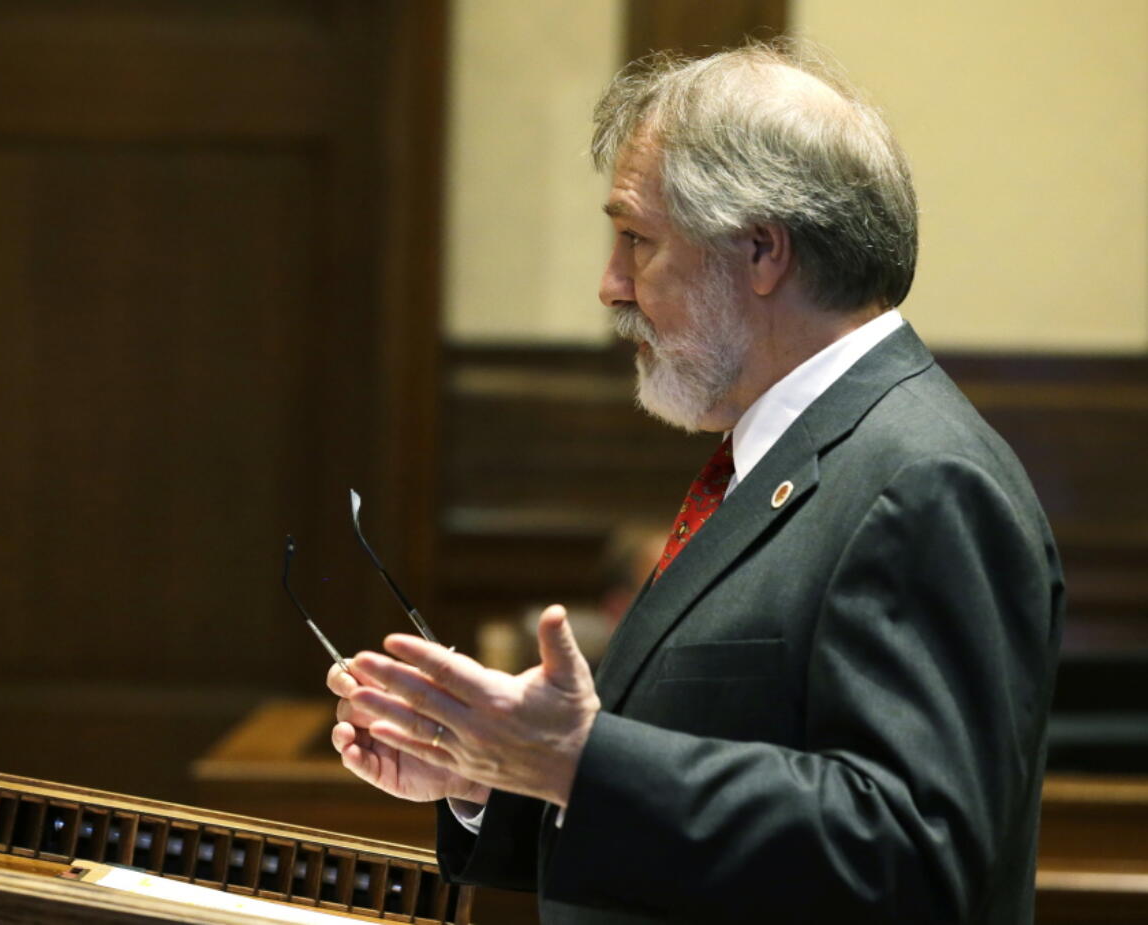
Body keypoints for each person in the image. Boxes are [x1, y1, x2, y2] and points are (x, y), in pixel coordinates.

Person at [327, 42, 1063, 924]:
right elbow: (710, 768)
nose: (610, 286)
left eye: (637, 240)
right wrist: (498, 775)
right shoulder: (786, 453)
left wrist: (577, 760)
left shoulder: (924, 477)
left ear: (761, 251)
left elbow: (914, 853)